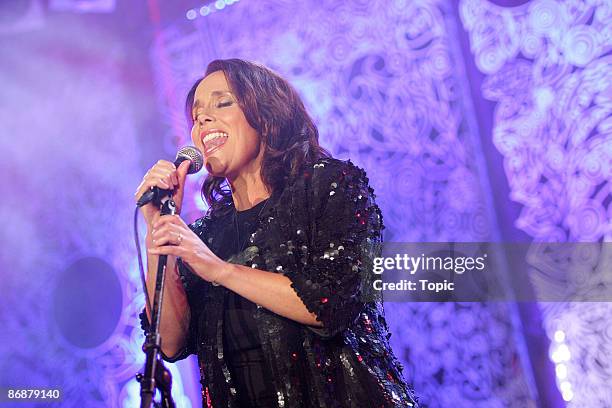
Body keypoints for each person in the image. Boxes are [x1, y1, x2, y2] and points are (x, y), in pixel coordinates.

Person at [135, 58, 419, 408]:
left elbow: (329, 304)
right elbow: (172, 342)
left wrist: (220, 271)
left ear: (266, 117)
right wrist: (156, 231)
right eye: (196, 116)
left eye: (222, 103)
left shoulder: (329, 186)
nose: (203, 120)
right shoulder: (206, 236)